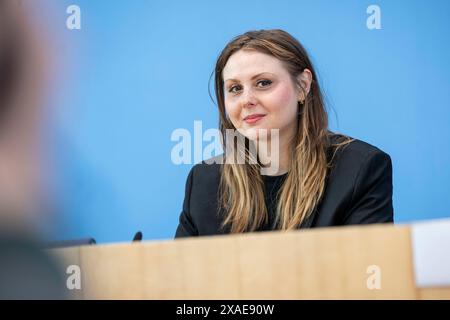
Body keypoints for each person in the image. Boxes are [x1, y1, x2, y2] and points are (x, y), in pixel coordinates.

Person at [175, 29, 393, 238]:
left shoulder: (360, 169)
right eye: (235, 88)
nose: (246, 100)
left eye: (263, 83)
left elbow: (365, 268)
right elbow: (182, 274)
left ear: (303, 85)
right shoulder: (204, 181)